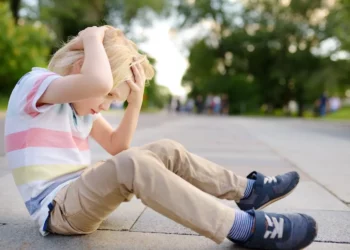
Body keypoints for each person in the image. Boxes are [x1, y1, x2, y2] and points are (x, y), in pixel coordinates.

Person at [4, 25, 317, 250]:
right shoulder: (36, 84)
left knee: (166, 149)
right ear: (81, 67)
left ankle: (248, 190)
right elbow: (98, 84)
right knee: (134, 164)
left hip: (80, 194)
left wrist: (135, 102)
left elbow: (117, 146)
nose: (105, 104)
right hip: (59, 210)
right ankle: (243, 228)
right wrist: (91, 36)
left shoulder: (78, 107)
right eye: (110, 95)